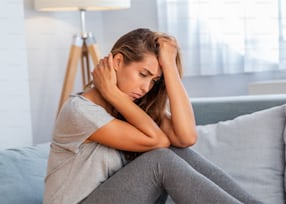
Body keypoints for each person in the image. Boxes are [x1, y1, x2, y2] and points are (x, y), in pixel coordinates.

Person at [43, 28, 261, 204]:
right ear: (117, 62)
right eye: (143, 74)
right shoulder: (79, 111)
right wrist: (113, 94)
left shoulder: (133, 108)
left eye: (154, 80)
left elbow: (186, 138)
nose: (146, 87)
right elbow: (156, 142)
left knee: (177, 152)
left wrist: (170, 67)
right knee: (160, 159)